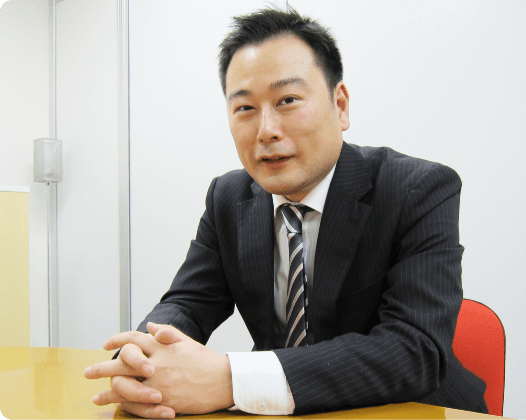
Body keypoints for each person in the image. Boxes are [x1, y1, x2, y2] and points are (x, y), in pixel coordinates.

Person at [84, 7, 488, 419]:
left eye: (288, 100)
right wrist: (142, 361)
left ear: (340, 105)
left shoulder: (417, 189)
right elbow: (188, 303)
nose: (266, 130)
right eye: (245, 108)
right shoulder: (228, 196)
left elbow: (414, 349)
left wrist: (230, 379)